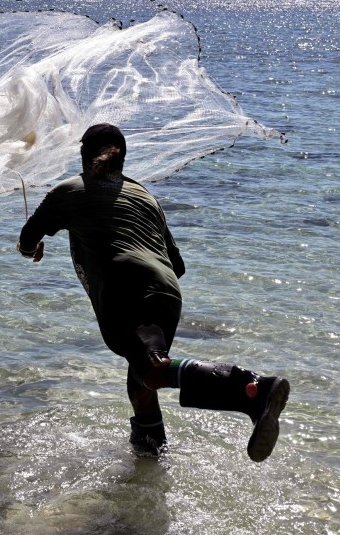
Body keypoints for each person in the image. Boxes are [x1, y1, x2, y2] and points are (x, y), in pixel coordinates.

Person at [17, 123, 289, 460]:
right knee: (140, 384)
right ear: (122, 158)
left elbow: (28, 238)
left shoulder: (71, 190)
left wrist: (32, 251)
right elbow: (178, 265)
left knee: (152, 370)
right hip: (167, 292)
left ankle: (251, 390)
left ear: (84, 155)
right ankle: (150, 458)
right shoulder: (145, 196)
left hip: (123, 288)